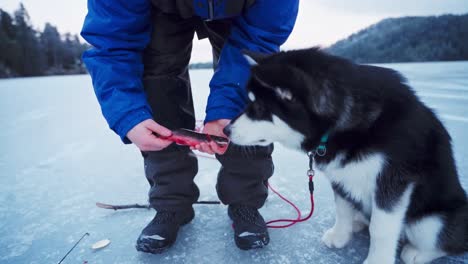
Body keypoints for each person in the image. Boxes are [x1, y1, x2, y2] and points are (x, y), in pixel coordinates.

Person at [81, 0, 298, 253]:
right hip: (160, 7)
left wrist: (225, 111)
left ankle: (245, 202)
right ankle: (171, 204)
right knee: (157, 80)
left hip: (242, 8)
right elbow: (112, 43)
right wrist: (128, 115)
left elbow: (258, 42)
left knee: (248, 83)